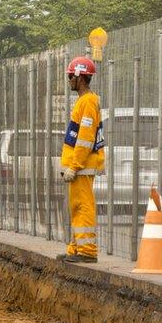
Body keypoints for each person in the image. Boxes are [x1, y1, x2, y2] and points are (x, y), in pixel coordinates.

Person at [59, 56, 106, 263]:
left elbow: (85, 138)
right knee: (77, 207)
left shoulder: (87, 102)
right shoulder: (85, 101)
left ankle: (87, 251)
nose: (69, 79)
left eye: (71, 76)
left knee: (83, 206)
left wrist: (74, 166)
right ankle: (76, 248)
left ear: (80, 77)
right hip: (79, 167)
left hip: (82, 167)